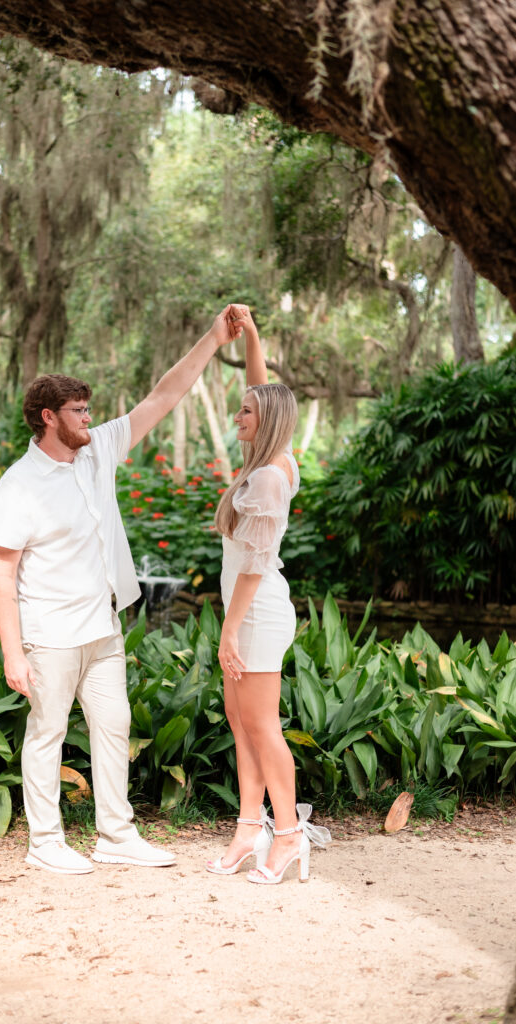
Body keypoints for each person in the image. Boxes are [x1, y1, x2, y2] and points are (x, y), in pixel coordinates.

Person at [0, 307, 242, 876]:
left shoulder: (98, 450)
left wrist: (211, 337)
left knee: (114, 725)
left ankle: (115, 835)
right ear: (49, 417)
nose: (90, 417)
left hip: (102, 627)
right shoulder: (17, 486)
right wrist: (12, 652)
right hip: (49, 633)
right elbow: (2, 576)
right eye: (80, 411)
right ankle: (45, 842)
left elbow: (163, 395)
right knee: (47, 734)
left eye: (89, 409)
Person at [206, 306, 331, 885]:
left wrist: (229, 630)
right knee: (240, 720)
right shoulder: (272, 461)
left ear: (267, 421)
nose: (239, 412)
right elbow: (264, 390)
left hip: (255, 613)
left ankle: (287, 835)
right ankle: (248, 827)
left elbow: (255, 565)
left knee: (260, 726)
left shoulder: (269, 478)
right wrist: (252, 336)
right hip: (246, 611)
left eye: (246, 411)